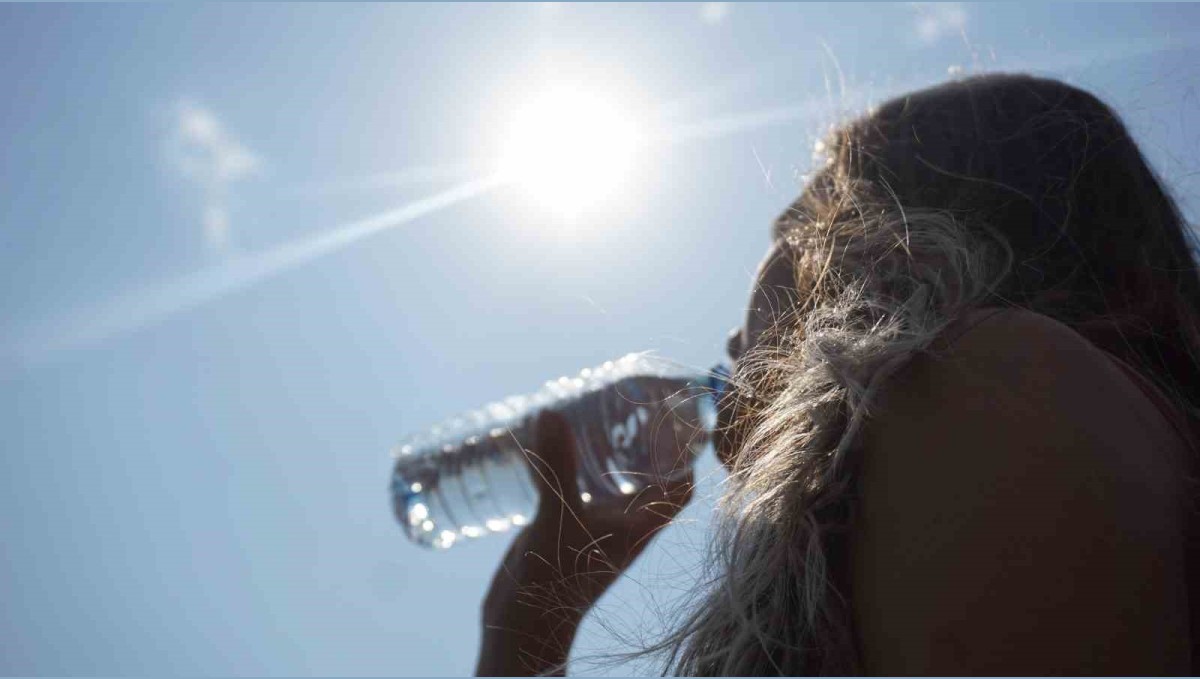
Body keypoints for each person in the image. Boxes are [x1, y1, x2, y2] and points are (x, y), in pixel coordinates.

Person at [473, 73, 1200, 675]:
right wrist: (532, 624)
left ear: (876, 243)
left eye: (791, 231)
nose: (732, 331)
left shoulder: (989, 383)